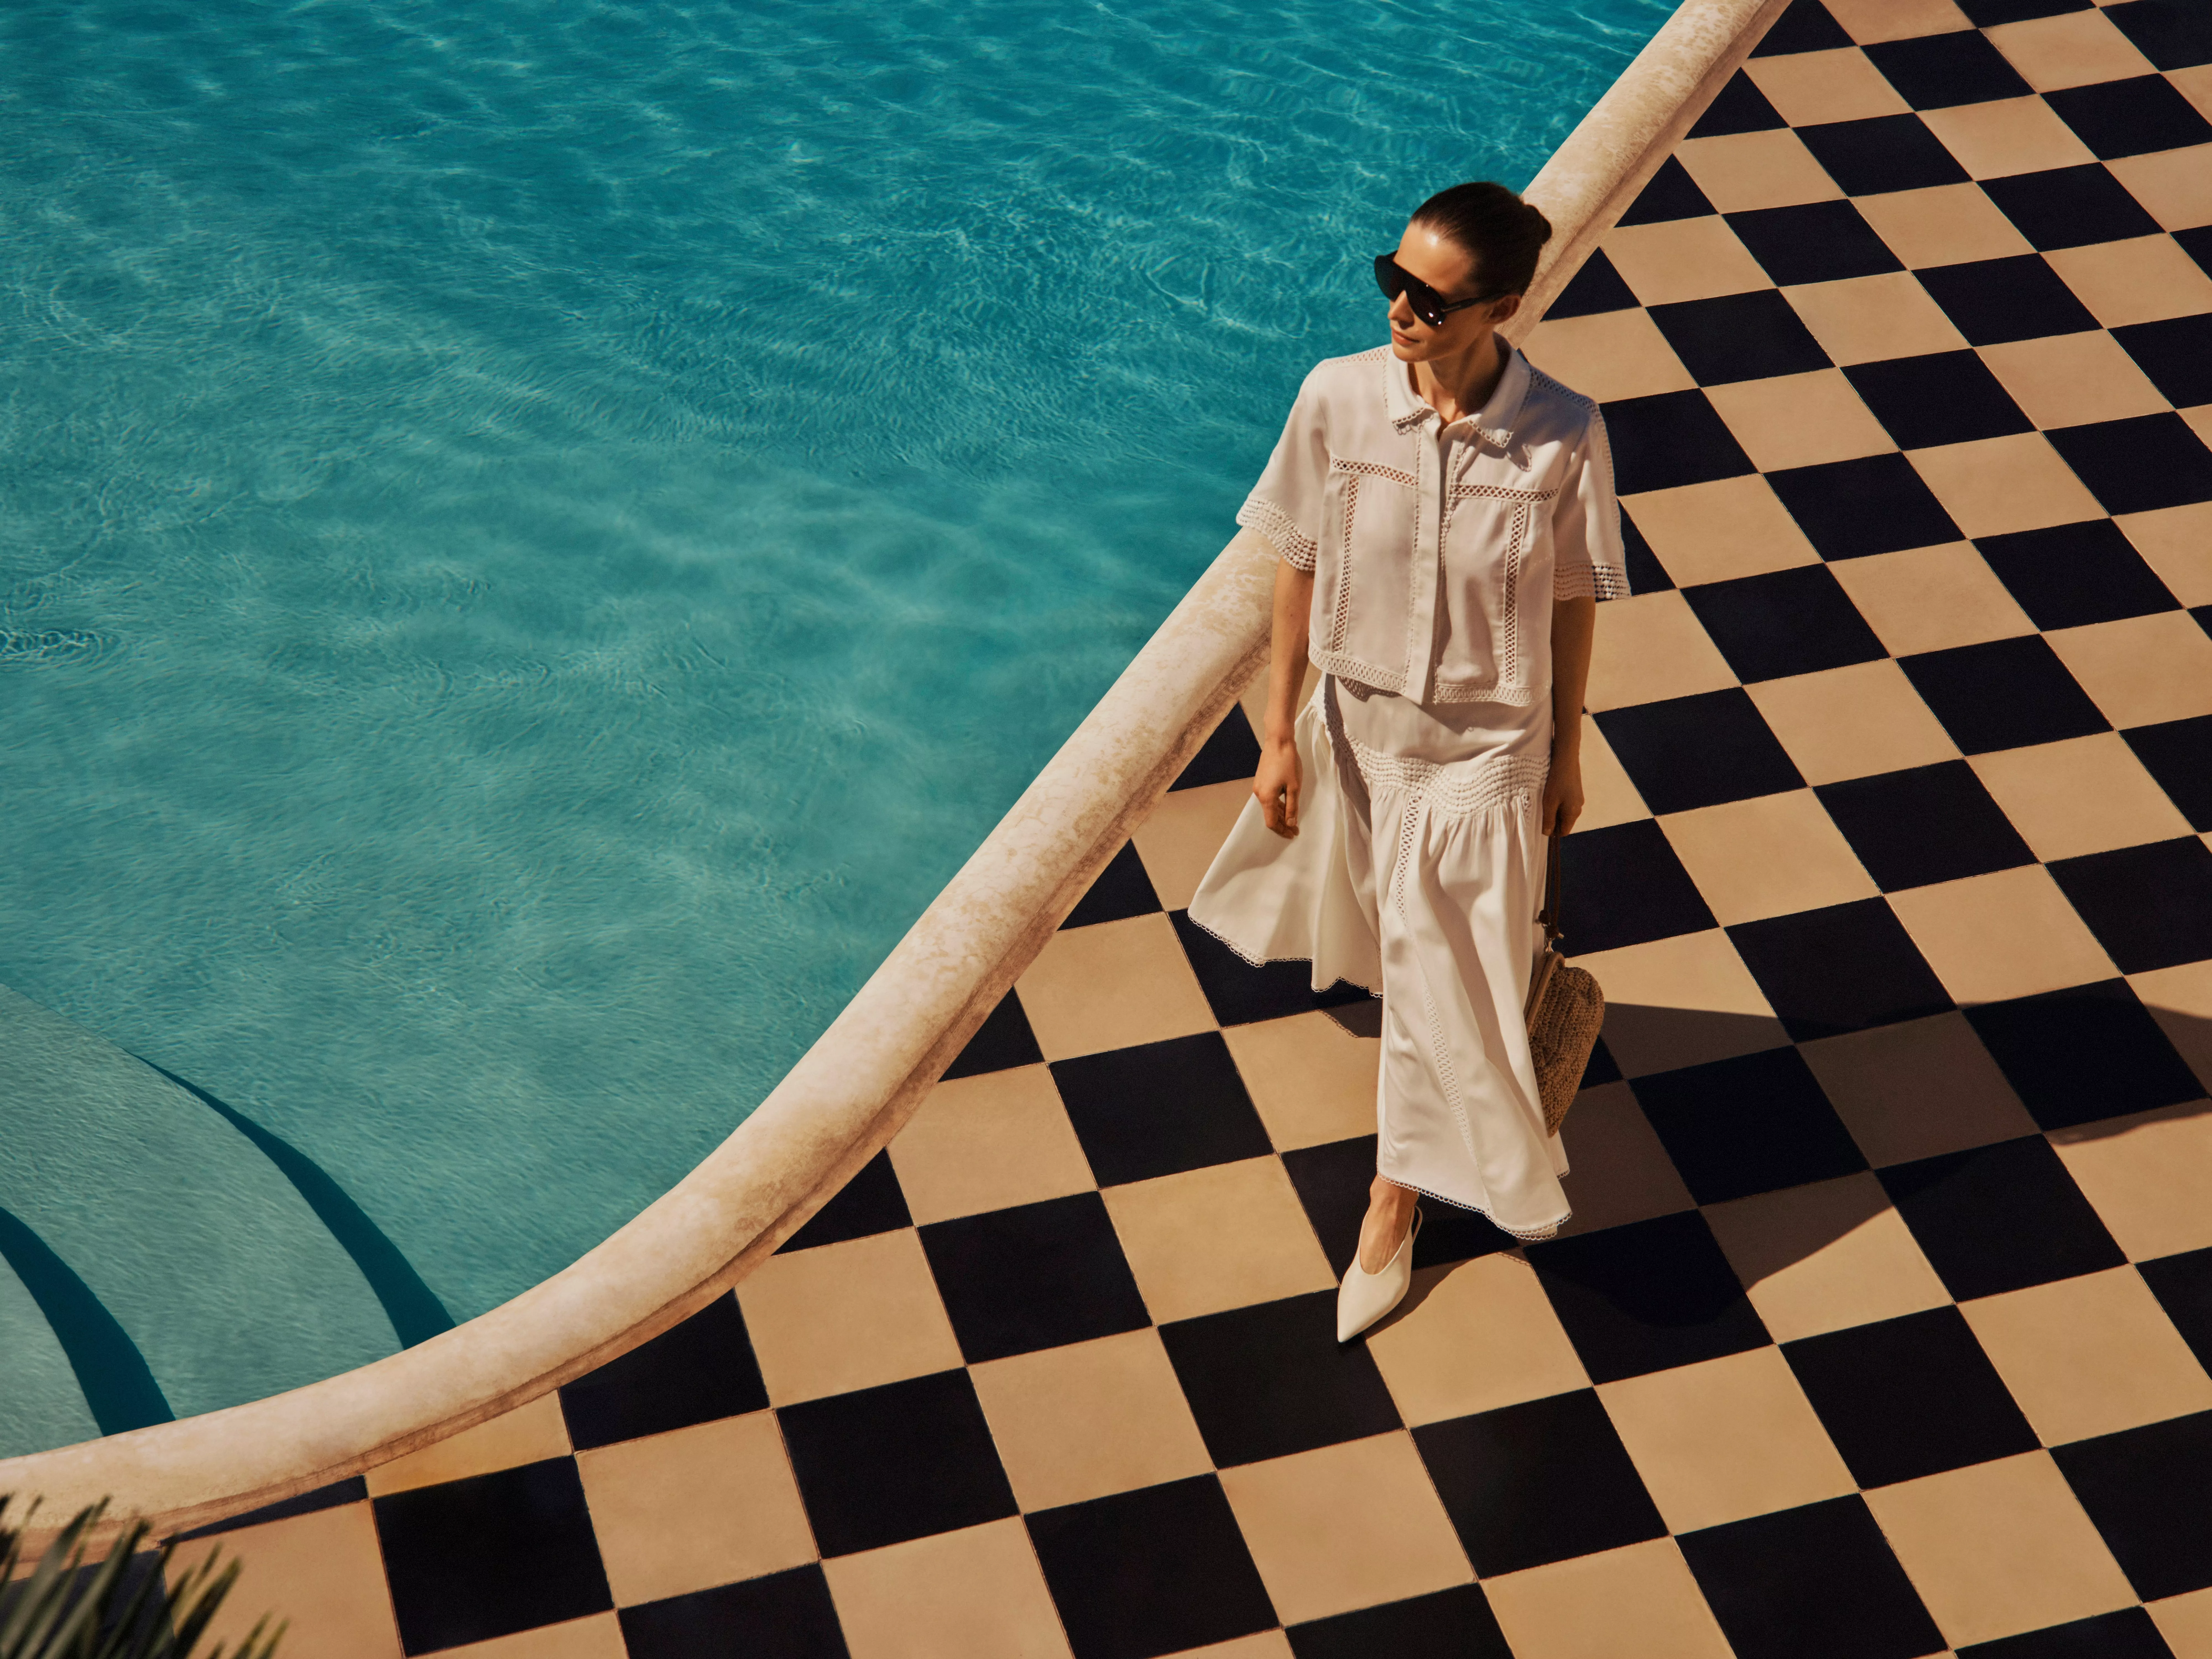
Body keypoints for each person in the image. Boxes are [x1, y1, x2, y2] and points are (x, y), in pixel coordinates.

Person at [1186, 181, 1627, 1342]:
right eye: (1391, 279)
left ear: (1501, 307)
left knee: (1442, 974)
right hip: (1357, 737)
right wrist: (1278, 732)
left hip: (1485, 754)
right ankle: (1444, 1154)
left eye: (1431, 299)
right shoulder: (1336, 399)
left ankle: (1392, 1203)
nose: (1400, 311)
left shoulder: (1563, 433)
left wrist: (1565, 752)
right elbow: (1293, 565)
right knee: (1418, 963)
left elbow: (1575, 598)